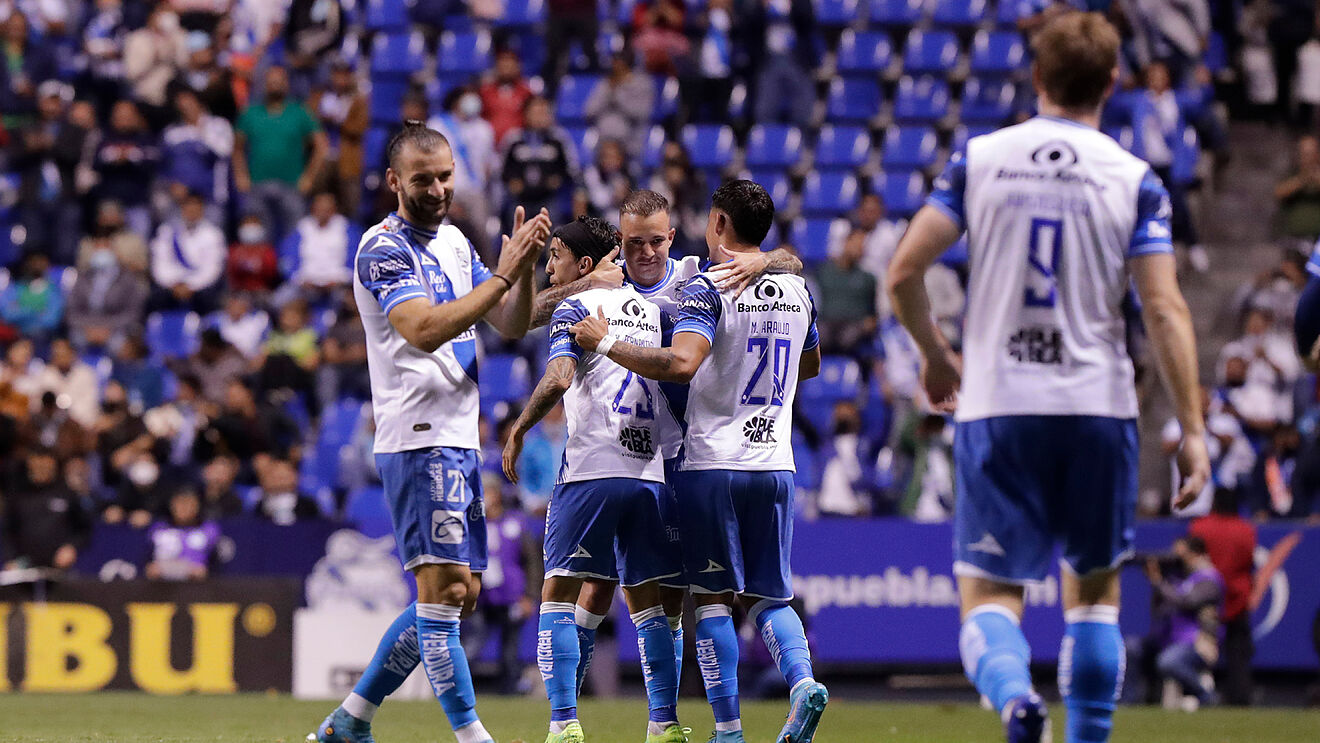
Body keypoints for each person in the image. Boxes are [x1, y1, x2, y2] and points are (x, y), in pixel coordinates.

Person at [886, 13, 1209, 743]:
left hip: (1000, 404)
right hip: (1099, 407)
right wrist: (1191, 429)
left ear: (1036, 78)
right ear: (1114, 83)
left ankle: (1015, 700)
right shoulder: (1136, 179)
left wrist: (936, 356)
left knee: (990, 600)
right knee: (1093, 599)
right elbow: (1163, 307)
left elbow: (903, 271)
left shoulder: (982, 158)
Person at [308, 121, 550, 743]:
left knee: (459, 594)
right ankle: (473, 738)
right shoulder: (381, 249)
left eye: (445, 176)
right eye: (424, 179)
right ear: (394, 182)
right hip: (418, 433)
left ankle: (351, 721)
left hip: (457, 434)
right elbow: (421, 329)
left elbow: (510, 321)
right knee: (441, 597)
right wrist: (501, 274)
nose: (439, 189)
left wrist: (523, 272)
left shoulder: (454, 242)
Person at [569, 180, 825, 743]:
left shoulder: (701, 286)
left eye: (656, 241)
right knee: (769, 596)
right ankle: (803, 683)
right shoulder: (800, 291)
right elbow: (810, 367)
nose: (646, 252)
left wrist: (608, 343)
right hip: (775, 462)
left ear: (713, 224)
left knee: (708, 600)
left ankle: (727, 731)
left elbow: (683, 364)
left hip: (709, 460)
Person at [503, 216, 687, 743]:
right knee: (647, 602)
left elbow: (560, 377)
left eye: (555, 256)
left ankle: (562, 722)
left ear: (585, 264)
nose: (550, 266)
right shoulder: (656, 311)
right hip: (649, 475)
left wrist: (519, 427)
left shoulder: (577, 306)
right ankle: (664, 723)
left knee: (557, 592)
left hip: (591, 469)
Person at [234, 66, 327, 242]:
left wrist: (309, 177)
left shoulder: (299, 112)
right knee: (258, 238)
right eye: (271, 82)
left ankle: (289, 268)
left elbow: (321, 145)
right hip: (257, 183)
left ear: (287, 84)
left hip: (291, 184)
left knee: (294, 235)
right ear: (265, 85)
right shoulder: (250, 113)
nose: (275, 85)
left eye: (279, 81)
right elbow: (237, 147)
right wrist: (240, 175)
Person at [1188, 489, 1256, 705]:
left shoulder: (1200, 527)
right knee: (1237, 653)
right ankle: (1239, 697)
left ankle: (1198, 695)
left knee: (1199, 648)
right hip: (1237, 597)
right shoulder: (1246, 530)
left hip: (1205, 600)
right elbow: (1248, 563)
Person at [1145, 535, 1223, 709]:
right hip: (1169, 638)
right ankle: (1130, 702)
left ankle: (1206, 696)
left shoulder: (1209, 577)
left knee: (1168, 662)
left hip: (1198, 642)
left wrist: (1159, 583)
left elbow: (1188, 602)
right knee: (1133, 649)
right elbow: (1159, 610)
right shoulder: (1181, 578)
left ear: (1195, 553)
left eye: (1181, 554)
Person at [149, 190, 227, 313]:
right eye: (188, 206)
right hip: (171, 285)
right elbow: (160, 264)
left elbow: (212, 270)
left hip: (200, 287)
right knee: (153, 298)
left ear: (202, 209)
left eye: (195, 206)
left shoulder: (213, 234)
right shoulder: (167, 231)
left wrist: (191, 286)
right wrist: (173, 284)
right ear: (181, 208)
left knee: (211, 298)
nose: (191, 210)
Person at [145, 485, 220, 581]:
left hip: (198, 589)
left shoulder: (209, 530)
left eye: (189, 503)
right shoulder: (158, 528)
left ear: (197, 506)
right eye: (180, 503)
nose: (184, 508)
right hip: (161, 588)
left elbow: (211, 568)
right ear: (172, 505)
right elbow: (149, 567)